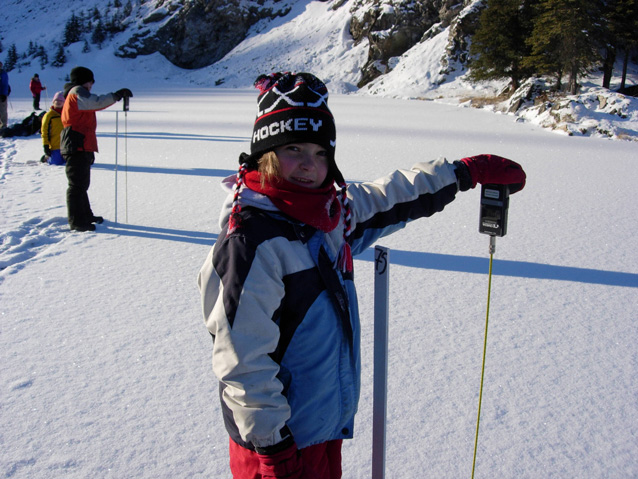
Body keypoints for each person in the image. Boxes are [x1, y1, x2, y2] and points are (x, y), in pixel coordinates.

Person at [197, 72, 527, 479]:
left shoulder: (330, 215)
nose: (308, 164)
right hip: (278, 446)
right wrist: (273, 449)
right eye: (293, 149)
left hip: (319, 430)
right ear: (264, 155)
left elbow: (391, 197)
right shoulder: (251, 241)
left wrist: (462, 173)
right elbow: (241, 361)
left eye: (320, 153)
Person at [60, 66, 132, 232]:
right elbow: (96, 102)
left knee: (81, 183)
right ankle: (77, 221)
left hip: (81, 143)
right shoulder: (77, 91)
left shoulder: (75, 93)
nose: (91, 85)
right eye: (90, 81)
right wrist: (116, 96)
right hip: (76, 143)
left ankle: (85, 215)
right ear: (83, 81)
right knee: (77, 185)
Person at [41, 91, 65, 165]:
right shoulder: (49, 116)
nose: (58, 102)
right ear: (53, 101)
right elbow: (44, 132)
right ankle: (46, 157)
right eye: (56, 100)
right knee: (57, 163)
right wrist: (46, 145)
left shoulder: (66, 114)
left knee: (69, 162)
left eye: (61, 100)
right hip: (54, 146)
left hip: (65, 145)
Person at [0, 61, 10, 131]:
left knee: (3, 110)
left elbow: (5, 84)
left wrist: (4, 94)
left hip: (2, 95)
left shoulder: (3, 74)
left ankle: (3, 125)